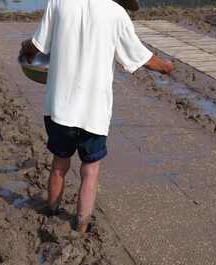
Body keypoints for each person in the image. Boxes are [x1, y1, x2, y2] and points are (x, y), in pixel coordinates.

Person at [20, 0, 174, 233]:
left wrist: (26, 51)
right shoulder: (116, 13)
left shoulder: (59, 2)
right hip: (94, 111)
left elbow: (36, 46)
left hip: (60, 107)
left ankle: (51, 211)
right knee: (90, 171)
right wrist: (165, 66)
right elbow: (140, 57)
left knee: (60, 163)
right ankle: (81, 226)